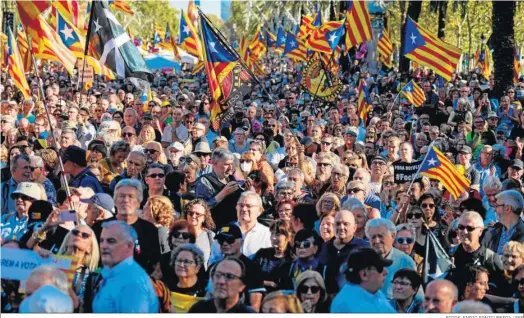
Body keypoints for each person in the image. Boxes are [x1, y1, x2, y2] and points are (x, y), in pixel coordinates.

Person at [91, 179, 161, 274]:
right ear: (115, 201)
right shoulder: (100, 227)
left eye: (131, 196)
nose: (126, 200)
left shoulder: (149, 230)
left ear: (138, 202)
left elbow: (154, 264)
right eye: (121, 196)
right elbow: (93, 261)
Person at [92, 220, 159, 313]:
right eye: (101, 240)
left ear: (129, 245)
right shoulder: (111, 274)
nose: (104, 246)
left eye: (111, 241)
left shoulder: (132, 283)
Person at [208, 223, 265, 311]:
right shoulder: (214, 267)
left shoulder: (253, 269)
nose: (225, 244)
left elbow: (254, 307)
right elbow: (208, 297)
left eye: (230, 240)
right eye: (221, 240)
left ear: (241, 242)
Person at [330, 247, 396, 313]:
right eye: (380, 268)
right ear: (364, 274)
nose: (386, 272)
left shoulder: (373, 292)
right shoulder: (345, 305)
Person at [318, 210, 369, 293]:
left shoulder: (364, 248)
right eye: (338, 224)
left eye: (346, 224)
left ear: (354, 228)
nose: (341, 227)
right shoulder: (323, 248)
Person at [365, 218, 417, 298]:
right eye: (373, 237)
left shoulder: (406, 262)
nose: (377, 241)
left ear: (392, 236)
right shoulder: (362, 260)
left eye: (380, 236)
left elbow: (416, 298)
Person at [195, 148, 243, 229]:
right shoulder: (204, 181)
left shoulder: (231, 178)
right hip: (215, 228)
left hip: (234, 226)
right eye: (226, 164)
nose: (230, 168)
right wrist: (223, 193)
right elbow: (201, 208)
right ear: (214, 163)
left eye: (232, 164)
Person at [189, 257, 257, 313]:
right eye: (218, 275)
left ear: (242, 286)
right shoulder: (199, 309)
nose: (221, 281)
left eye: (230, 276)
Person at [252, 220, 293, 293]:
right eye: (272, 234)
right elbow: (250, 276)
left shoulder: (292, 259)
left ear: (287, 237)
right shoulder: (262, 254)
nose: (273, 238)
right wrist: (268, 283)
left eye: (277, 234)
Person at [482, 190, 524, 254]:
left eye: (496, 206)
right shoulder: (493, 230)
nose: (494, 210)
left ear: (507, 208)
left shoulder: (522, 234)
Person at [169, 244, 207, 313]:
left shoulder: (207, 291)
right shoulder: (167, 291)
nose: (181, 265)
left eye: (187, 262)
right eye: (179, 261)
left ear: (197, 268)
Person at [235, 191, 272, 258]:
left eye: (249, 206)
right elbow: (214, 259)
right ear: (236, 207)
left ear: (259, 210)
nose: (244, 209)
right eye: (241, 205)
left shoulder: (267, 234)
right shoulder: (225, 232)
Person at [184, 199, 217, 269]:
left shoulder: (211, 236)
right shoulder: (177, 234)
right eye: (190, 213)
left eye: (198, 214)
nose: (193, 216)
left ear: (204, 218)